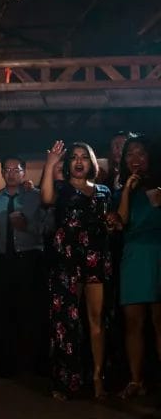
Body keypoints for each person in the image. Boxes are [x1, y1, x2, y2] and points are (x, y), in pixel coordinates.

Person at [41, 141, 113, 400]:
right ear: (69, 163)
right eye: (74, 157)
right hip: (67, 261)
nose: (80, 161)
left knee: (97, 321)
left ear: (91, 162)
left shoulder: (104, 190)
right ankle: (65, 381)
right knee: (66, 323)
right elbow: (45, 199)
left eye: (85, 157)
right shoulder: (60, 188)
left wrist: (113, 222)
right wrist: (50, 163)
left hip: (96, 259)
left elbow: (113, 222)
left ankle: (97, 378)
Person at [0, 156, 47, 377]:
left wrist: (27, 226)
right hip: (4, 263)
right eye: (7, 169)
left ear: (24, 172)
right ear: (2, 173)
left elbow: (49, 228)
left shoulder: (36, 196)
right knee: (6, 313)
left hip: (30, 259)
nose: (11, 173)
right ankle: (8, 364)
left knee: (30, 313)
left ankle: (32, 364)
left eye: (16, 169)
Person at [115, 134, 161, 399]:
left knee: (159, 321)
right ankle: (135, 380)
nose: (135, 159)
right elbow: (121, 223)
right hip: (133, 257)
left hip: (157, 253)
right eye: (130, 154)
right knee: (134, 323)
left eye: (140, 153)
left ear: (149, 158)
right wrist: (126, 192)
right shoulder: (122, 189)